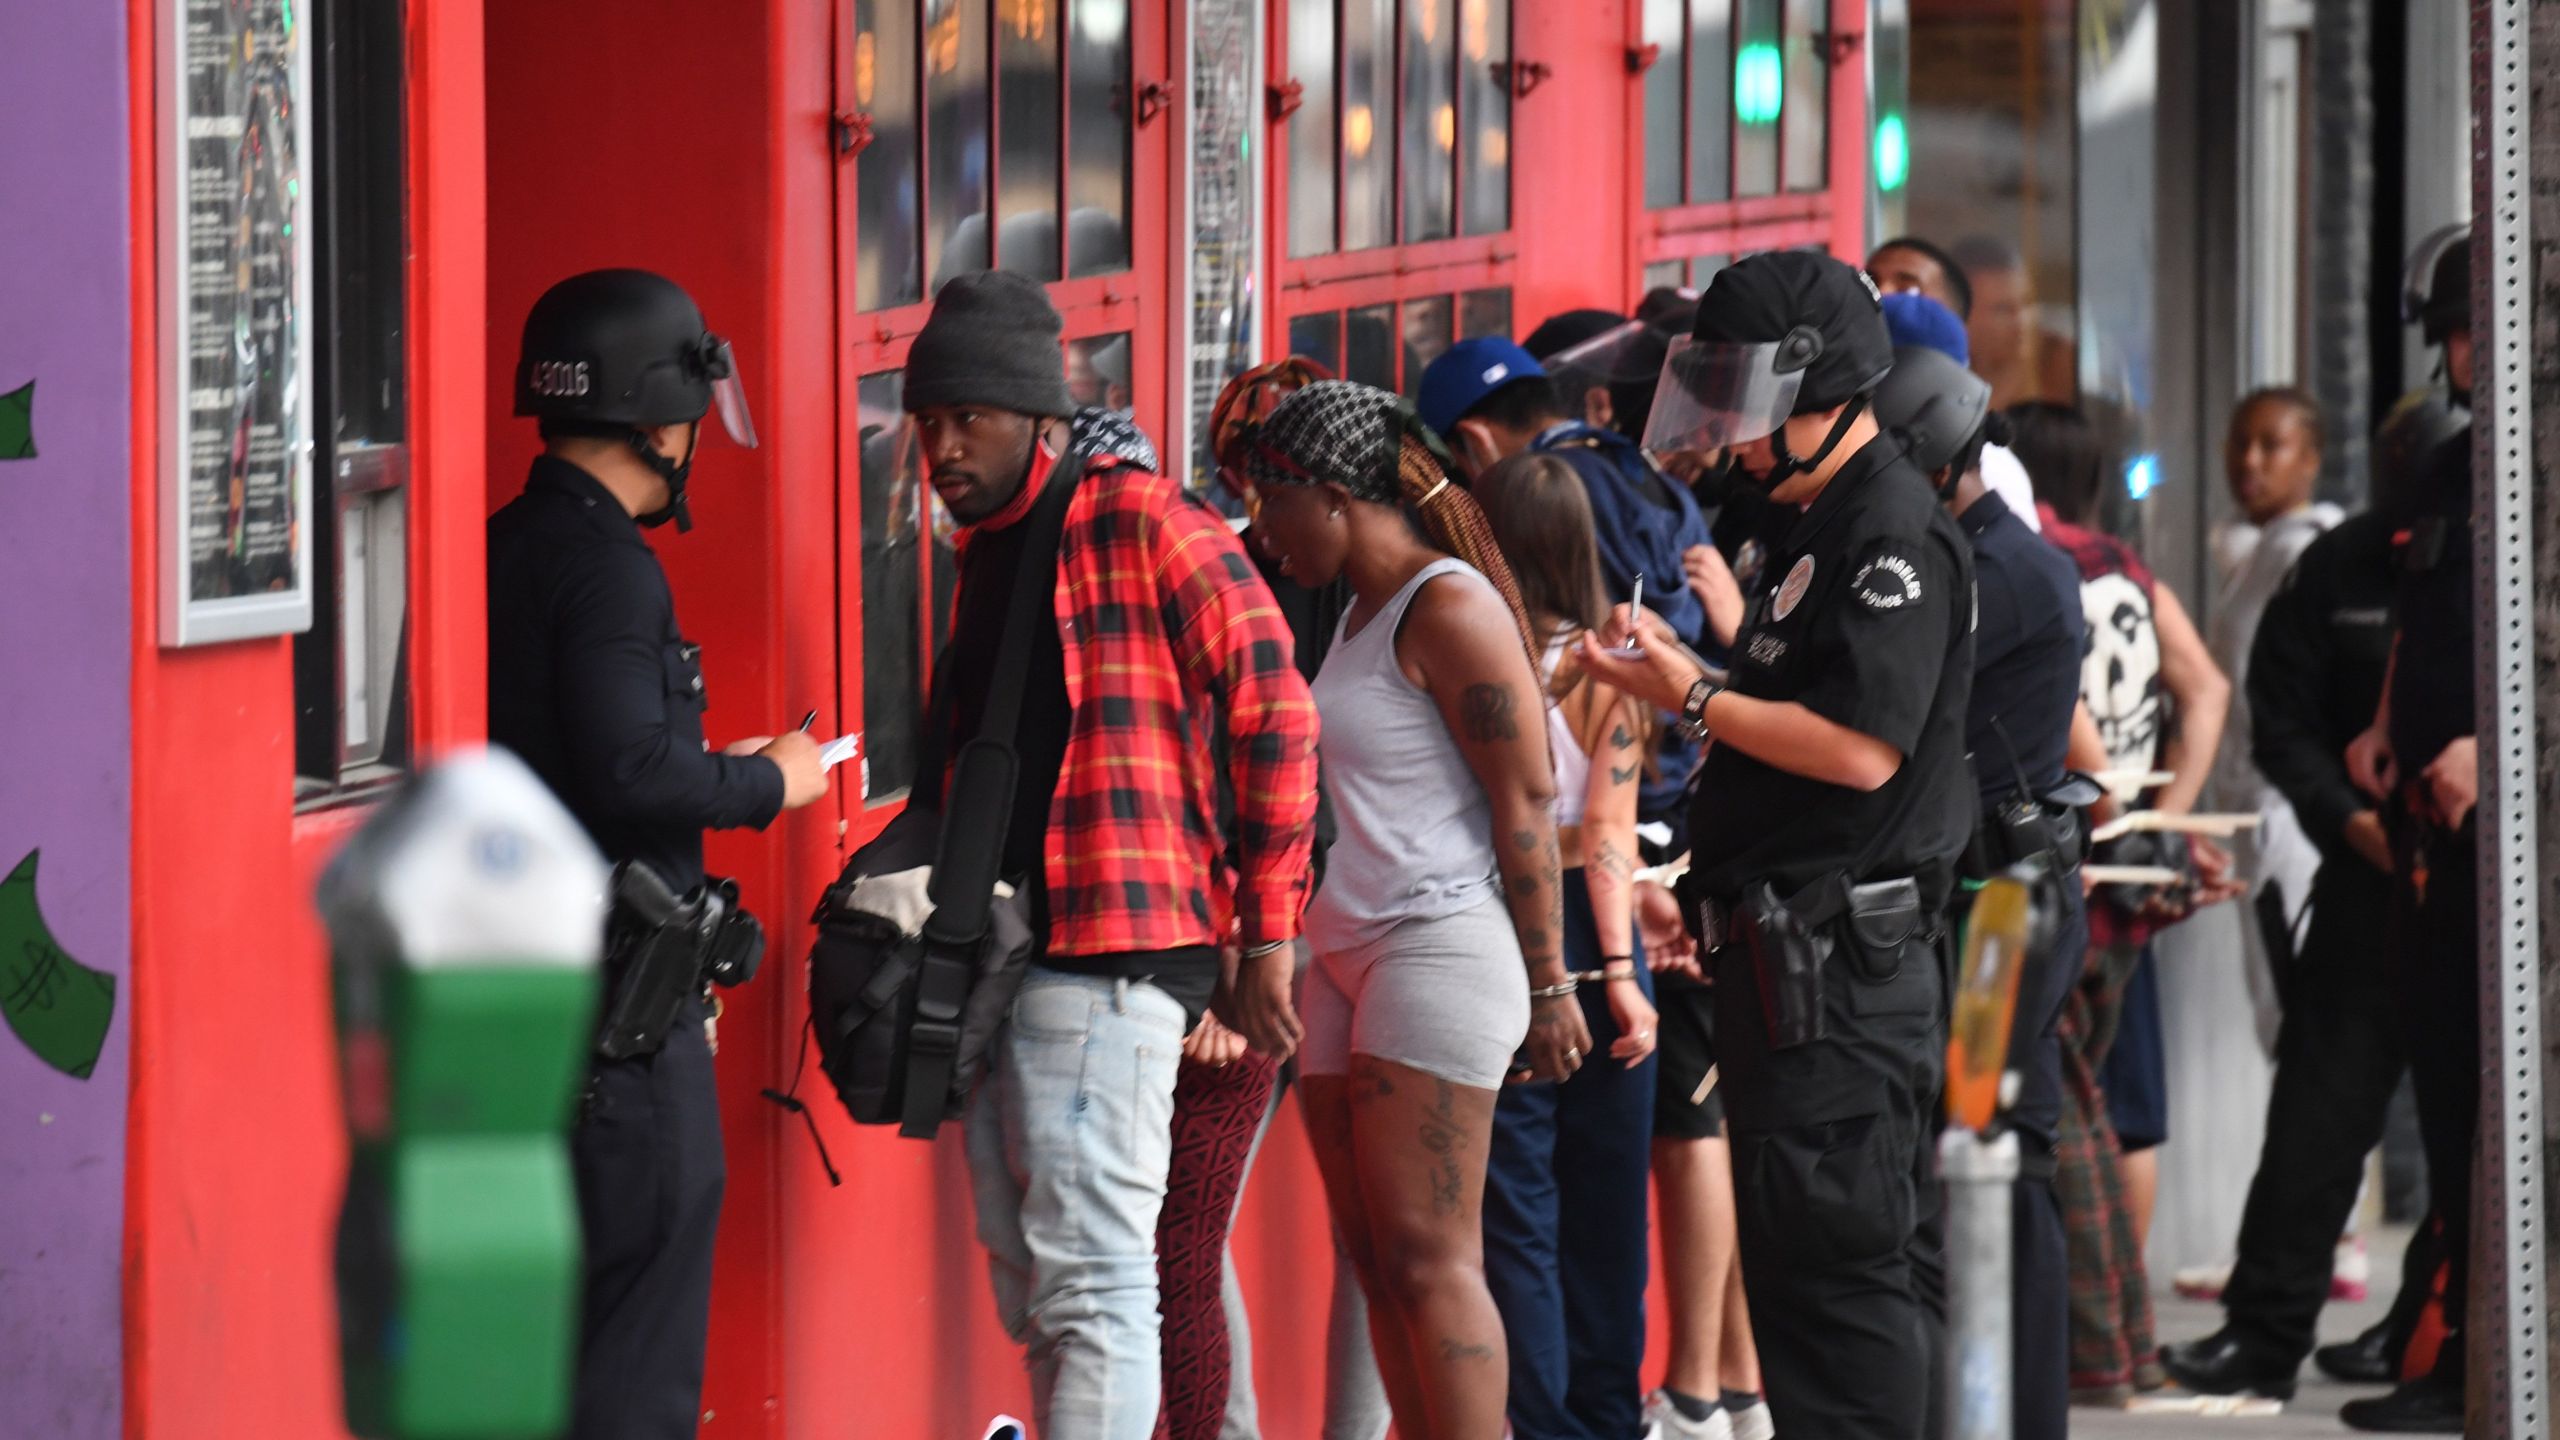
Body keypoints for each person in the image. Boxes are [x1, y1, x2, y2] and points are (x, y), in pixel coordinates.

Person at [899, 271, 1319, 1440]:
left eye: (966, 420)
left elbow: (1275, 704)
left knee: (1096, 1285)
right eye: (926, 420)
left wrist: (1267, 931)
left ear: (1039, 419)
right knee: (1038, 1289)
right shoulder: (989, 549)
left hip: (1116, 959)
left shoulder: (1136, 516)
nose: (941, 446)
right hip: (1010, 957)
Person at [1578, 250, 1977, 1440]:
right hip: (1792, 972)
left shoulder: (1888, 533)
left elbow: (1860, 749)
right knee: (1820, 1284)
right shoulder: (1809, 519)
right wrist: (1675, 681)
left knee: (1837, 1293)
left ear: (1828, 391)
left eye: (1756, 410)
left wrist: (1691, 696)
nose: (1737, 441)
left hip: (1839, 983)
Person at [488, 268, 832, 1439]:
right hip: (620, 1030)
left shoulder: (507, 544)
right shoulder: (608, 567)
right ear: (656, 417)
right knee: (637, 1349)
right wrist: (767, 780)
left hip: (525, 1004)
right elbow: (632, 769)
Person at [1235, 378, 1591, 1440]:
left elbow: (1525, 801)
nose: (1262, 528)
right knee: (1378, 1255)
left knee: (1433, 1256)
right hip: (1343, 955)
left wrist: (1551, 981)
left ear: (1336, 496)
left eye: (1272, 500)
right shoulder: (1355, 613)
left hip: (1435, 944)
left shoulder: (1448, 604)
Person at [1872, 304, 2090, 1440]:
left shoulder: (2000, 571)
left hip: (2003, 901)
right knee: (1980, 1150)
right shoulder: (1975, 556)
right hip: (1990, 890)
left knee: (1993, 1155)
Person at [2154, 455, 2407, 1405]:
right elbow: (2282, 717)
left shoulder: (2514, 553)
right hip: (2362, 869)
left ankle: (2439, 1323)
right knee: (2314, 1114)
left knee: (2492, 1131)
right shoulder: (2342, 565)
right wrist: (2349, 821)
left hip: (2491, 882)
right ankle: (2263, 1336)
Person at [1195, 356, 1392, 1440]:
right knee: (1379, 1223)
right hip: (1373, 927)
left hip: (1272, 939)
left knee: (1194, 1211)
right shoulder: (1414, 579)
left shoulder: (1219, 576)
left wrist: (1233, 947)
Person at [1472, 450, 1661, 1440]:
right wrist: (1624, 980)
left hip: (1500, 935)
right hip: (1596, 934)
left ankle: (1541, 1425)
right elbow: (1611, 840)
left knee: (1518, 1217)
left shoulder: (1469, 660)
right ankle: (1608, 1418)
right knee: (1607, 1216)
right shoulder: (1609, 671)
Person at [2333, 283, 2481, 1437]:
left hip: (2507, 840)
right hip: (2429, 837)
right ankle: (2455, 1358)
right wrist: (2389, 721)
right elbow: (2417, 617)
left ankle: (2493, 1362)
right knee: (2445, 1096)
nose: (2461, 353)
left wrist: (2496, 749)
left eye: (2472, 327)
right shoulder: (2449, 465)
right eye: (2449, 336)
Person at [2201, 389, 2344, 1059]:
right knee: (2278, 1004)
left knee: (2298, 1011)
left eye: (2272, 444)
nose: (2249, 460)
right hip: (2249, 811)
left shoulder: (2312, 554)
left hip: (2286, 811)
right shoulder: (2255, 552)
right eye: (2239, 442)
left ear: (2311, 460)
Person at [1867, 242, 2042, 532]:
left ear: (1954, 318)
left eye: (1909, 290)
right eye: (1869, 282)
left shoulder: (1992, 471)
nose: (1881, 295)